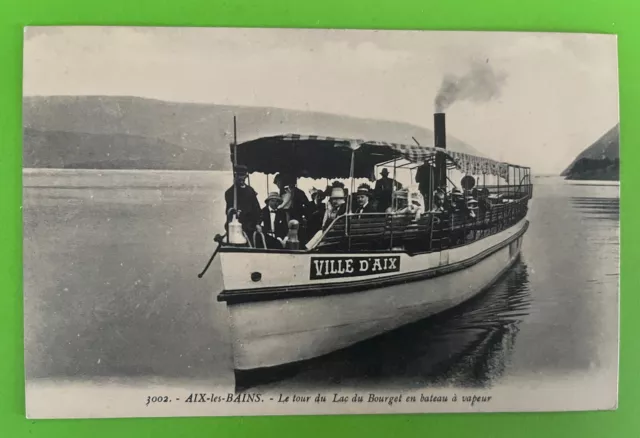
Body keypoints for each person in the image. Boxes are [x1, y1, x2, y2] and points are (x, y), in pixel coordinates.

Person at [224, 165, 261, 236]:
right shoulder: (230, 192)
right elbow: (229, 211)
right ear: (235, 176)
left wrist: (258, 224)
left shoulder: (250, 191)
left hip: (252, 226)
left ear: (246, 176)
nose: (241, 178)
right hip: (237, 226)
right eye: (239, 175)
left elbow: (257, 209)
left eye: (243, 175)